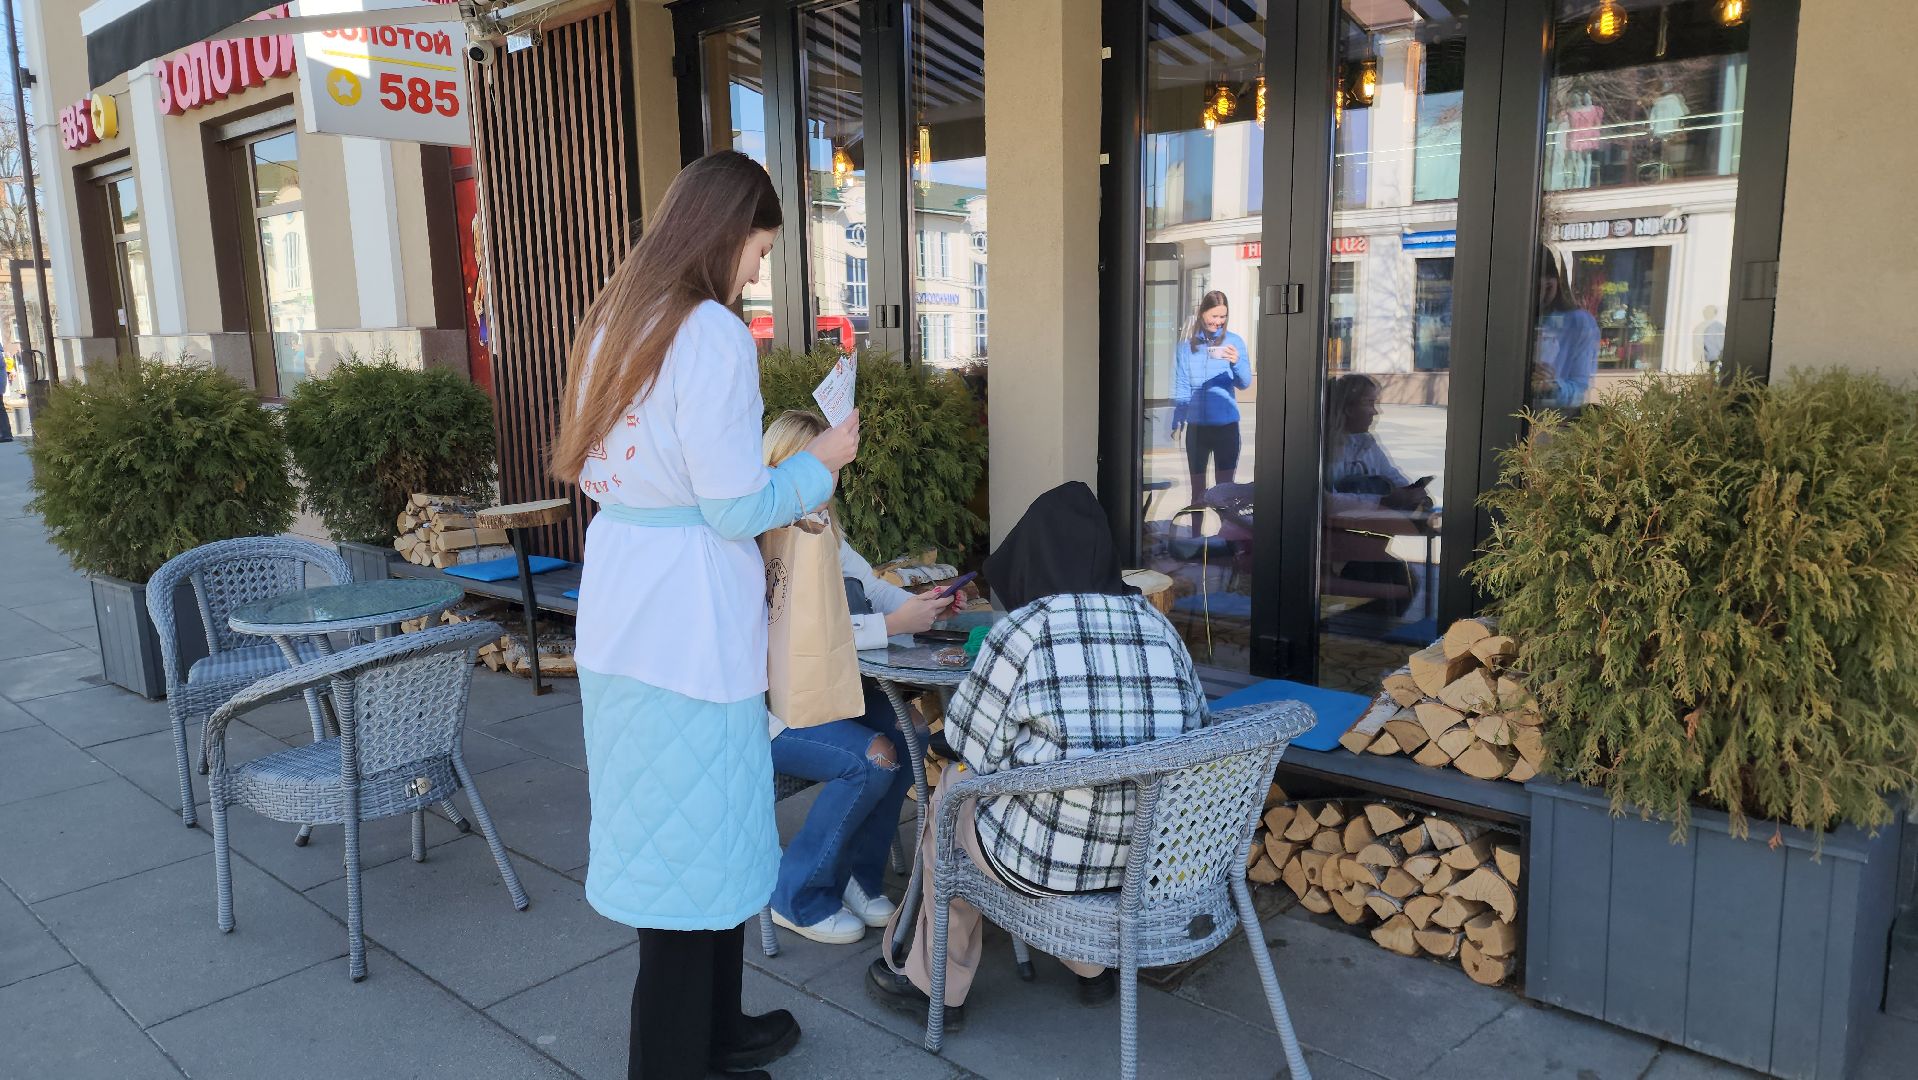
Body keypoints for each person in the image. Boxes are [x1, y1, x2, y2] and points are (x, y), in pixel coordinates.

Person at [552, 150, 861, 1080]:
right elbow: (732, 507)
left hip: (623, 613)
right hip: (689, 624)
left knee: (686, 845)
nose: (758, 271)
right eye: (761, 250)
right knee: (698, 854)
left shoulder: (616, 321)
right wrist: (822, 462)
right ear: (729, 234)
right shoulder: (712, 334)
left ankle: (715, 1032)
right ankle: (679, 1058)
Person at [865, 481, 1209, 1025]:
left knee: (953, 793)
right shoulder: (1159, 628)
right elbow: (1196, 731)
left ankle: (935, 988)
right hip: (1157, 862)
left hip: (1051, 863)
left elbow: (965, 742)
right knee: (1024, 800)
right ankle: (1092, 966)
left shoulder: (1028, 628)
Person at [759, 410, 959, 945]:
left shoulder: (823, 525)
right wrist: (893, 625)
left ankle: (854, 876)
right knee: (873, 759)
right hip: (770, 715)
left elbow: (867, 585)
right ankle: (797, 895)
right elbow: (796, 630)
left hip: (826, 696)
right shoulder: (759, 537)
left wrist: (923, 605)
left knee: (912, 737)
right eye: (823, 463)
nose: (833, 476)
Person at [1323, 374, 1429, 616]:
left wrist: (1413, 492)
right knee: (1391, 585)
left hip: (1370, 535)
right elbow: (1325, 500)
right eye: (1368, 403)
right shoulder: (1324, 447)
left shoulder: (1366, 442)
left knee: (1403, 583)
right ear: (1347, 409)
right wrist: (1382, 501)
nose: (1376, 412)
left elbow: (1391, 474)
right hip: (1337, 542)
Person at [1171, 291, 1251, 506]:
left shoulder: (1234, 342)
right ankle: (1197, 537)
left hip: (1226, 428)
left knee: (1225, 491)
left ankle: (1224, 539)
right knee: (1197, 492)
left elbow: (1244, 383)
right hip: (1197, 429)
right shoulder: (1186, 347)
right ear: (1202, 313)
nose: (1218, 322)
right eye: (1214, 316)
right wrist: (1177, 419)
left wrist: (1236, 362)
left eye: (1223, 317)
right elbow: (1182, 385)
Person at [1531, 246, 1599, 410]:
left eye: (1548, 287)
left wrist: (1553, 387)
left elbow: (1580, 390)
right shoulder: (1509, 317)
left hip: (1550, 421)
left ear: (1557, 282)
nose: (1542, 297)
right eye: (1537, 288)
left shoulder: (1578, 323)